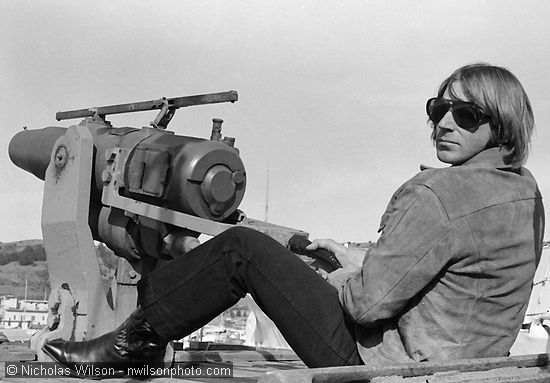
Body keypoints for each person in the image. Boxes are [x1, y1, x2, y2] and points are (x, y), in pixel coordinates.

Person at [43, 63, 545, 375]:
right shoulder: (526, 193)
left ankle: (132, 345)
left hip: (388, 368)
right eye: (439, 109)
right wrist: (357, 259)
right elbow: (452, 278)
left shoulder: (438, 192)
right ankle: (138, 339)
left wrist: (342, 271)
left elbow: (367, 306)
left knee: (241, 248)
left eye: (467, 115)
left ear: (499, 123)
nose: (444, 123)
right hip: (464, 362)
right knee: (271, 251)